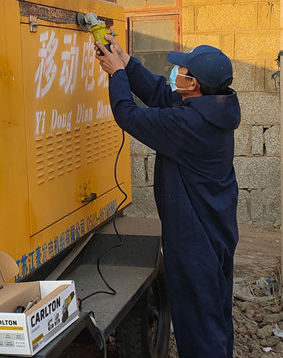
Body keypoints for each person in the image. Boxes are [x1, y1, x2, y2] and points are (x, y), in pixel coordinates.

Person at [95, 35, 241, 358]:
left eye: (182, 71)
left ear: (193, 85)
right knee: (214, 315)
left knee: (199, 327)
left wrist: (117, 75)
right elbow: (162, 94)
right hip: (216, 230)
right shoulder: (213, 108)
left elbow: (128, 115)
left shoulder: (188, 124)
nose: (176, 73)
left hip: (195, 242)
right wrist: (127, 62)